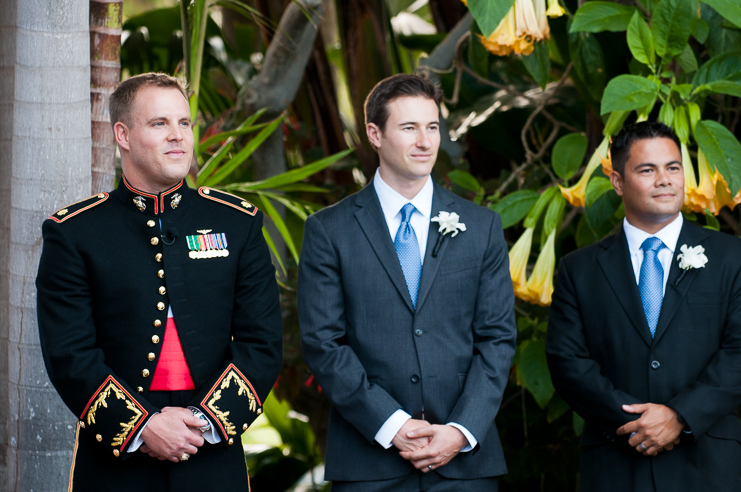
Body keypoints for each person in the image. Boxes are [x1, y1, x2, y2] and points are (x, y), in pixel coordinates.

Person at [36, 72, 283, 491]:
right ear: (123, 135)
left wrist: (202, 424)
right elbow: (69, 353)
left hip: (211, 450)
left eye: (184, 123)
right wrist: (142, 426)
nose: (178, 136)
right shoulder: (75, 232)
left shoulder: (237, 223)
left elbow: (262, 345)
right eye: (159, 124)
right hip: (116, 462)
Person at [298, 73, 516, 491]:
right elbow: (324, 343)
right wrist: (391, 424)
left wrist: (461, 429)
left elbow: (497, 338)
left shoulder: (481, 226)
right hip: (369, 461)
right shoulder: (329, 231)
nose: (425, 141)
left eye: (432, 127)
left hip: (465, 464)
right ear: (375, 134)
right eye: (409, 128)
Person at [546, 121, 741, 492]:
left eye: (673, 167)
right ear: (617, 182)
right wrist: (638, 426)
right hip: (616, 463)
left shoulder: (731, 257)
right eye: (647, 170)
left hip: (706, 464)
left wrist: (679, 417)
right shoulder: (580, 269)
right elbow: (567, 362)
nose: (664, 179)